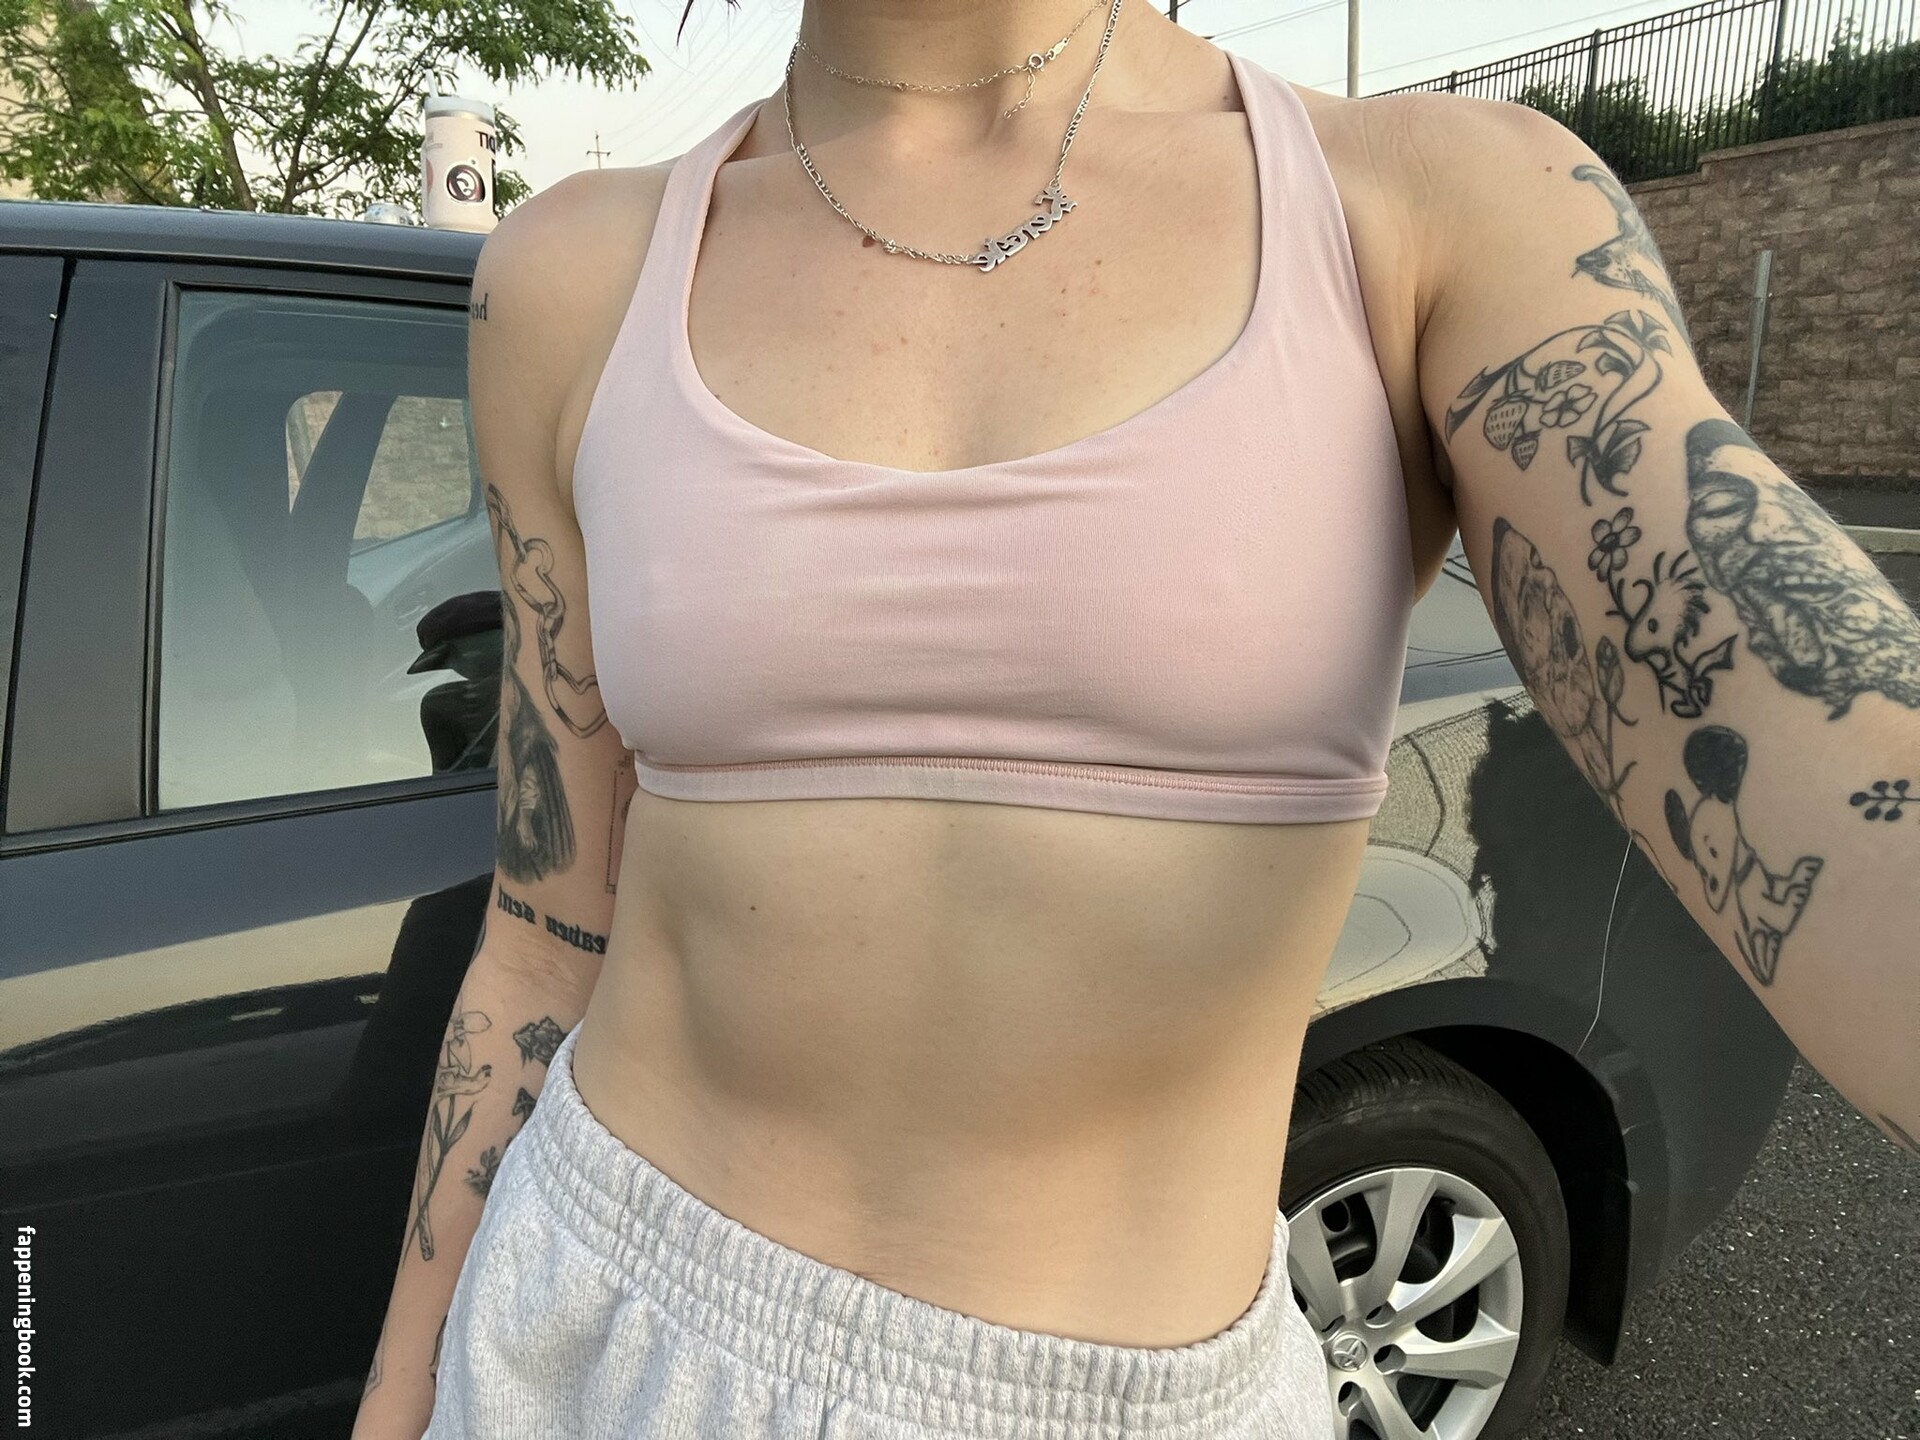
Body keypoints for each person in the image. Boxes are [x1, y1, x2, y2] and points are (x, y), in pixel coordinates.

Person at [353, 0, 1920, 1435]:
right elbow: (545, 935)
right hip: (590, 1313)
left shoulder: (1435, 212)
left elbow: (1811, 737)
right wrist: (405, 1396)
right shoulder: (575, 274)